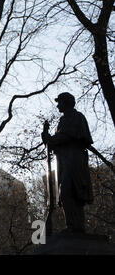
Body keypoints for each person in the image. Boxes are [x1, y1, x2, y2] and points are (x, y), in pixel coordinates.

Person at [41, 92, 93, 233]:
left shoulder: (75, 117)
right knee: (67, 193)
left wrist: (48, 137)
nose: (58, 105)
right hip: (64, 161)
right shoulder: (63, 121)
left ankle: (76, 227)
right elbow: (55, 143)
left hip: (74, 160)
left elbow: (63, 137)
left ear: (66, 102)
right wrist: (46, 135)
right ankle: (74, 226)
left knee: (70, 192)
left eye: (60, 102)